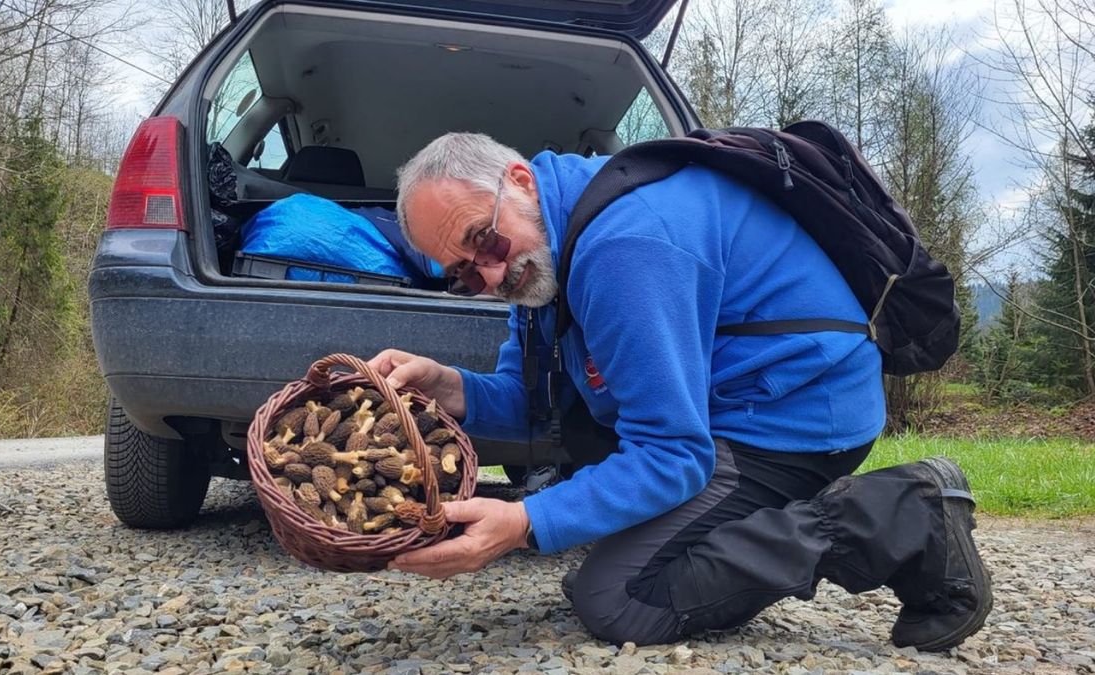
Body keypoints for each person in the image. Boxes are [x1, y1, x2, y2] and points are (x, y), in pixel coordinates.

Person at [367, 132, 992, 650]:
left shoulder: (624, 246)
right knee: (608, 529)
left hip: (793, 417)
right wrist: (449, 388)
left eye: (484, 240)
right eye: (464, 274)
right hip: (717, 408)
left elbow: (672, 454)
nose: (493, 272)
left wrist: (526, 521)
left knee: (620, 599)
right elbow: (536, 401)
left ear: (521, 181)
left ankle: (904, 511)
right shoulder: (547, 246)